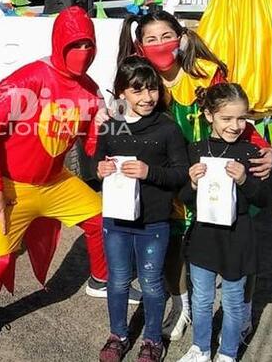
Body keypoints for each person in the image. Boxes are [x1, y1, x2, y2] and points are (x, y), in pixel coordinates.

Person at [115, 10, 272, 341]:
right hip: (175, 174)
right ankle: (182, 304)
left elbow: (233, 112)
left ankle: (241, 311)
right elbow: (119, 122)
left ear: (181, 38)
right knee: (174, 241)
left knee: (237, 241)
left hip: (219, 170)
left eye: (167, 37)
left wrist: (262, 147)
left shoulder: (206, 75)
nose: (160, 45)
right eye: (151, 39)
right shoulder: (145, 83)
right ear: (140, 46)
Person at [0, 6, 107, 358]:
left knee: (103, 220)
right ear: (59, 42)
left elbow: (91, 140)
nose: (84, 52)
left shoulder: (89, 91)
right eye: (76, 44)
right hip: (8, 185)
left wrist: (105, 137)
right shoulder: (26, 81)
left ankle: (102, 279)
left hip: (56, 182)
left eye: (89, 44)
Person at [95, 56, 189, 362]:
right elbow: (94, 165)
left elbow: (180, 173)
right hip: (116, 220)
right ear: (122, 93)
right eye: (138, 90)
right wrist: (100, 171)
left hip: (154, 222)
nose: (147, 97)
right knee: (118, 280)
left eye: (152, 89)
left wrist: (150, 173)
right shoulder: (112, 126)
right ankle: (117, 335)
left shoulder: (167, 129)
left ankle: (151, 340)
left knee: (150, 282)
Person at [176, 83, 269, 362]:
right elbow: (184, 198)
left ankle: (228, 352)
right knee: (202, 299)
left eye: (242, 118)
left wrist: (244, 180)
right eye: (226, 118)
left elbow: (263, 198)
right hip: (204, 236)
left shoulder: (251, 152)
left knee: (232, 300)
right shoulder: (195, 150)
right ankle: (200, 348)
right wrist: (192, 184)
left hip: (237, 237)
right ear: (209, 116)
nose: (235, 125)